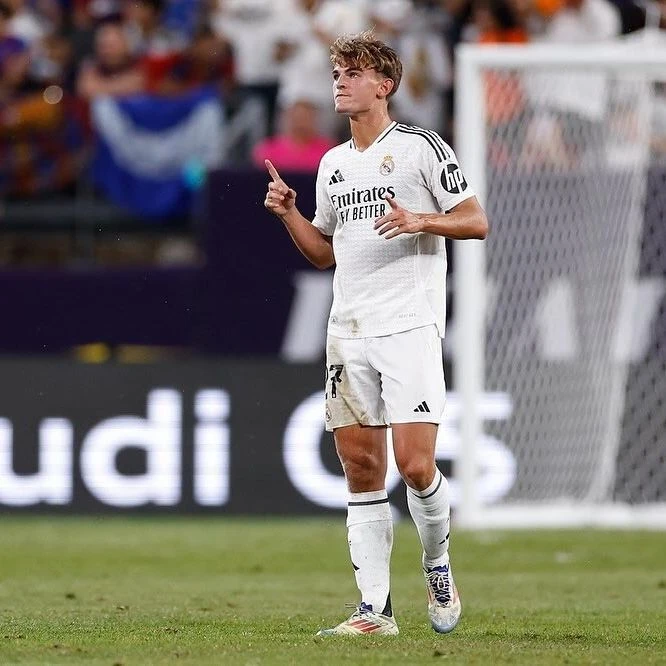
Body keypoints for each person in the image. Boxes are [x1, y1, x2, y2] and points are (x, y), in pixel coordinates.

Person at [263, 31, 488, 636]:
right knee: (361, 468)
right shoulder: (334, 164)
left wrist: (420, 218)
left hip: (408, 325)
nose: (340, 81)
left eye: (353, 72)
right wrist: (289, 214)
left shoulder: (419, 147)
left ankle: (437, 562)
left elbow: (476, 220)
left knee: (415, 467)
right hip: (348, 329)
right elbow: (325, 253)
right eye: (337, 72)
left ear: (385, 84)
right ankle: (374, 612)